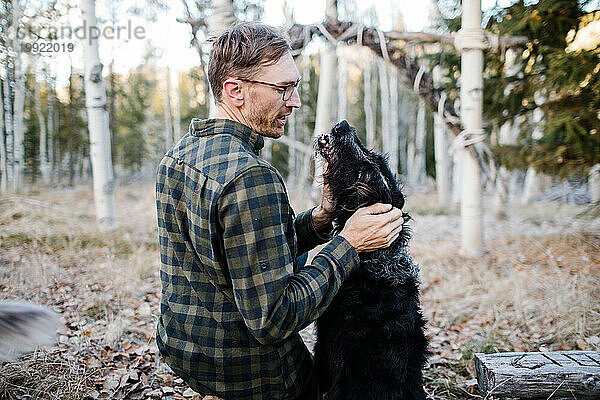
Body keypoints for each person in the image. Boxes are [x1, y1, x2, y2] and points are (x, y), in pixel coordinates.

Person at [155, 22, 405, 400]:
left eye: (296, 85)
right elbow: (273, 320)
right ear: (235, 90)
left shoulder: (179, 155)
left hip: (186, 350)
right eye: (283, 88)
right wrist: (350, 245)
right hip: (250, 373)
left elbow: (238, 257)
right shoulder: (251, 177)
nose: (296, 101)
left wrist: (320, 220)